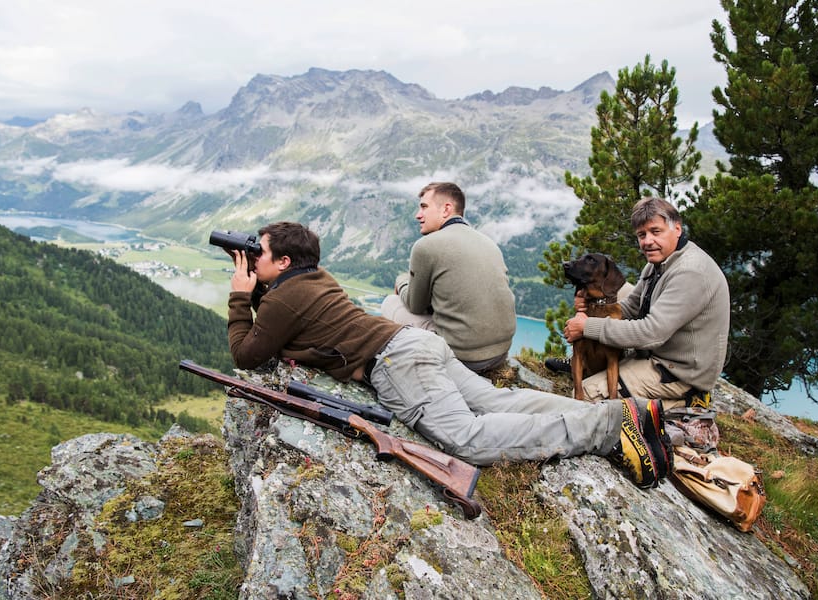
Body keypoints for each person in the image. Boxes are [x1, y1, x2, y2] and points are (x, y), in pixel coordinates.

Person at [225, 220, 671, 489]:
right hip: (416, 344)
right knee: (497, 401)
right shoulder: (313, 277)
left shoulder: (283, 298)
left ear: (283, 263)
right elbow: (282, 314)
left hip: (395, 363)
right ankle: (622, 412)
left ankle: (606, 429)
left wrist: (240, 295)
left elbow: (246, 354)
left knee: (467, 438)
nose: (252, 257)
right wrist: (258, 285)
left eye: (259, 252)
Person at [557, 197, 730, 409]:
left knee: (586, 395)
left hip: (678, 372)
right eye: (642, 235)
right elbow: (630, 307)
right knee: (615, 296)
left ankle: (682, 401)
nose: (648, 241)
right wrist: (591, 309)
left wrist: (587, 327)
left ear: (677, 229)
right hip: (657, 355)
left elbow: (651, 333)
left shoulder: (690, 272)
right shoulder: (658, 263)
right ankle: (587, 362)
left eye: (656, 231)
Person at [380, 182, 516, 372]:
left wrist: (401, 280)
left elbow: (414, 305)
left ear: (446, 209)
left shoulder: (426, 246)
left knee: (390, 302)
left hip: (462, 357)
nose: (418, 215)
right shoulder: (489, 243)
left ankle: (398, 362)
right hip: (500, 354)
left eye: (424, 207)